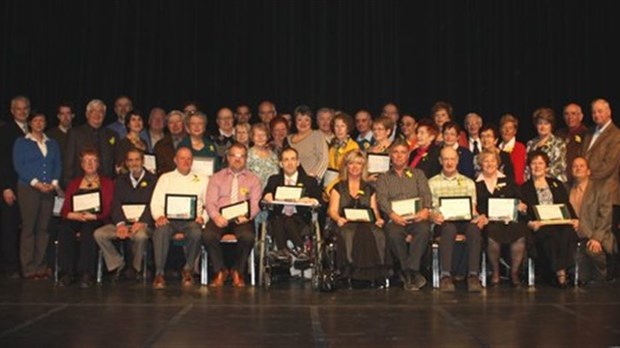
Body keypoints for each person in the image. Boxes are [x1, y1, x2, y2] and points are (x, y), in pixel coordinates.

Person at [203, 143, 262, 288]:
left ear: (246, 159)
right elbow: (210, 201)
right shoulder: (216, 178)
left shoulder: (253, 179)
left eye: (241, 156)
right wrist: (216, 216)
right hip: (221, 216)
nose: (238, 159)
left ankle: (238, 271)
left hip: (242, 218)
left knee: (248, 237)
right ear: (228, 158)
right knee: (208, 235)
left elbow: (256, 204)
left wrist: (248, 216)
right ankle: (220, 271)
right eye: (234, 156)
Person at [376, 140, 432, 290]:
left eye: (403, 152)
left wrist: (425, 210)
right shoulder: (383, 178)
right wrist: (392, 215)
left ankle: (409, 270)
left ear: (408, 155)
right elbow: (381, 199)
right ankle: (411, 273)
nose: (399, 156)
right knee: (393, 233)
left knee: (424, 230)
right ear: (390, 155)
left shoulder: (418, 174)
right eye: (396, 152)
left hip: (416, 218)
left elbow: (426, 194)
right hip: (395, 219)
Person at [150, 147, 208, 289]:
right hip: (169, 221)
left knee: (197, 232)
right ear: (175, 160)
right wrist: (159, 216)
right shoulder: (165, 178)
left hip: (192, 221)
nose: (185, 161)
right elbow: (156, 202)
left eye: (189, 158)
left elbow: (209, 204)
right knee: (160, 231)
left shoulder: (203, 179)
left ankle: (188, 270)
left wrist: (203, 218)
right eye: (182, 158)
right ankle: (159, 274)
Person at [429, 147, 485, 292]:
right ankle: (446, 276)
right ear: (440, 161)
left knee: (474, 229)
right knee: (449, 229)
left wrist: (479, 217)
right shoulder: (431, 183)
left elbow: (473, 209)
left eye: (452, 159)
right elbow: (427, 208)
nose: (449, 162)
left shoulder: (468, 183)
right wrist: (432, 215)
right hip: (443, 222)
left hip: (464, 220)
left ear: (457, 161)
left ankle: (473, 275)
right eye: (446, 159)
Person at [93, 149, 156, 281]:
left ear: (143, 161)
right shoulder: (119, 181)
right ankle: (117, 264)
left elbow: (154, 204)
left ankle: (136, 268)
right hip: (123, 223)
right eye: (131, 160)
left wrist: (142, 222)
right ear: (126, 163)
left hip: (144, 224)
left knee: (140, 236)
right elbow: (115, 204)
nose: (134, 163)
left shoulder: (153, 180)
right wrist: (121, 224)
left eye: (137, 159)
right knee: (99, 234)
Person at [13, 112, 62, 279]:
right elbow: (19, 165)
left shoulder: (52, 143)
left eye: (42, 120)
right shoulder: (22, 142)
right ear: (30, 123)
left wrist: (53, 184)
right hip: (29, 188)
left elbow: (57, 164)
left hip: (48, 189)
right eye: (35, 120)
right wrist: (36, 183)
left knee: (43, 228)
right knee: (29, 228)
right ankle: (28, 268)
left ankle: (41, 266)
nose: (39, 123)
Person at [327, 150, 387, 286]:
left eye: (359, 163)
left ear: (363, 167)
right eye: (351, 163)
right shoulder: (338, 187)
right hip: (345, 222)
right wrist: (338, 219)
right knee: (349, 233)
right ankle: (350, 272)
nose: (355, 167)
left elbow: (374, 210)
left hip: (366, 222)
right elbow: (332, 210)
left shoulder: (369, 188)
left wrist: (378, 219)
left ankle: (373, 274)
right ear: (346, 166)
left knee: (377, 233)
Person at [57, 149, 114, 288]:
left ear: (98, 164)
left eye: (93, 160)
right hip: (76, 217)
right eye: (86, 161)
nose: (89, 163)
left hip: (97, 218)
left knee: (89, 230)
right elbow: (65, 210)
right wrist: (72, 215)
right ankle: (67, 273)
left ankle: (86, 273)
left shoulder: (107, 183)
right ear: (81, 164)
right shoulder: (74, 183)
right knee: (65, 228)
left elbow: (109, 208)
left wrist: (94, 216)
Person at [521, 150, 578, 288]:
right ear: (529, 167)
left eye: (540, 163)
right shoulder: (524, 188)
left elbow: (566, 204)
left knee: (568, 231)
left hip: (559, 222)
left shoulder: (556, 184)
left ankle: (557, 271)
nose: (537, 166)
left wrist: (575, 218)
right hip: (539, 226)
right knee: (550, 234)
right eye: (533, 163)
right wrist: (530, 223)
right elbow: (523, 213)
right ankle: (560, 273)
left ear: (547, 167)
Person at [475, 149, 528, 287]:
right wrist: (480, 215)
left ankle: (514, 273)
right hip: (488, 221)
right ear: (481, 163)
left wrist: (520, 205)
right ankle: (496, 272)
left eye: (492, 160)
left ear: (498, 163)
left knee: (520, 233)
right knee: (492, 234)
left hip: (508, 220)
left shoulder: (508, 181)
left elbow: (518, 199)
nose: (489, 164)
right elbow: (475, 205)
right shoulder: (475, 183)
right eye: (486, 161)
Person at [264, 147, 322, 261]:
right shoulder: (273, 180)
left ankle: (284, 250)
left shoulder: (309, 181)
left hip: (301, 219)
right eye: (286, 160)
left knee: (288, 220)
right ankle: (298, 249)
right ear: (280, 164)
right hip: (277, 218)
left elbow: (320, 201)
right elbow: (262, 201)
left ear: (298, 162)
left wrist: (312, 201)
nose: (290, 163)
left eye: (292, 159)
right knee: (280, 219)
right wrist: (266, 197)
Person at [570, 157, 616, 284]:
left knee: (593, 251)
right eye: (574, 166)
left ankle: (604, 276)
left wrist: (597, 238)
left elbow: (605, 215)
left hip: (595, 234)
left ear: (589, 171)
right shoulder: (566, 189)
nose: (578, 168)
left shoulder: (600, 189)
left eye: (581, 166)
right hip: (574, 235)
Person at [0, 95, 31, 278]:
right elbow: (3, 162)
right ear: (12, 111)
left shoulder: (34, 129)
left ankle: (23, 264)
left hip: (28, 187)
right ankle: (10, 266)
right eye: (18, 109)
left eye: (25, 108)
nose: (23, 111)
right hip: (11, 187)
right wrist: (5, 187)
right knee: (9, 227)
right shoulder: (6, 131)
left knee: (25, 227)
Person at [64, 99, 118, 186]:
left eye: (100, 111)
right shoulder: (74, 133)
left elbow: (115, 163)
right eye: (93, 111)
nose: (97, 114)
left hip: (106, 186)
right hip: (81, 184)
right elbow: (68, 163)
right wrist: (69, 186)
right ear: (87, 114)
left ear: (104, 115)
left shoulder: (112, 135)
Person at [582, 99, 620, 206]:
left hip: (606, 192)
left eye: (600, 111)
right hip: (587, 191)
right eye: (594, 112)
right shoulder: (589, 132)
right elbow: (582, 156)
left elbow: (609, 166)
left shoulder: (616, 135)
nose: (596, 115)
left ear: (609, 112)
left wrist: (585, 177)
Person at [526, 107, 567, 182]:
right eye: (540, 123)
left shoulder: (558, 143)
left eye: (546, 123)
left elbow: (558, 167)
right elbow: (527, 167)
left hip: (554, 183)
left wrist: (540, 178)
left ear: (551, 125)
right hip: (533, 183)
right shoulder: (530, 144)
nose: (542, 127)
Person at [287, 105, 328, 180]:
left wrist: (312, 178)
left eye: (307, 120)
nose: (303, 123)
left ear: (311, 121)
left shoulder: (317, 135)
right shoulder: (288, 139)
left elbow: (324, 160)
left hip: (311, 181)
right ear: (295, 121)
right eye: (299, 120)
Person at [326, 113, 359, 192]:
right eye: (337, 126)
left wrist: (330, 187)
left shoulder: (353, 146)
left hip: (345, 184)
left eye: (342, 126)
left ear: (348, 128)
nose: (339, 129)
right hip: (330, 182)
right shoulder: (332, 146)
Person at [555, 103, 587, 184]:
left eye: (573, 114)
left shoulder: (587, 134)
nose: (570, 117)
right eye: (566, 114)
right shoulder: (559, 134)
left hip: (577, 179)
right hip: (559, 180)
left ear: (581, 116)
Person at [153, 110, 187, 175]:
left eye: (178, 122)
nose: (175, 125)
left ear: (184, 124)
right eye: (171, 122)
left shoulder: (192, 142)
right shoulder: (160, 145)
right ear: (167, 125)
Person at [114, 109, 148, 174]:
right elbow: (119, 167)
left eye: (139, 119)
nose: (137, 123)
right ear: (128, 124)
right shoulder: (123, 143)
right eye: (133, 120)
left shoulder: (144, 142)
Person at [247, 123, 279, 189]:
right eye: (257, 135)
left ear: (267, 137)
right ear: (252, 137)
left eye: (263, 135)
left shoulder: (273, 156)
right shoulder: (247, 155)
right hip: (253, 193)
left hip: (271, 194)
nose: (260, 137)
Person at [498, 113, 527, 185]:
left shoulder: (519, 148)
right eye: (504, 127)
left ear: (515, 131)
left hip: (514, 187)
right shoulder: (497, 148)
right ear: (500, 130)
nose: (507, 130)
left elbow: (518, 174)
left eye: (510, 128)